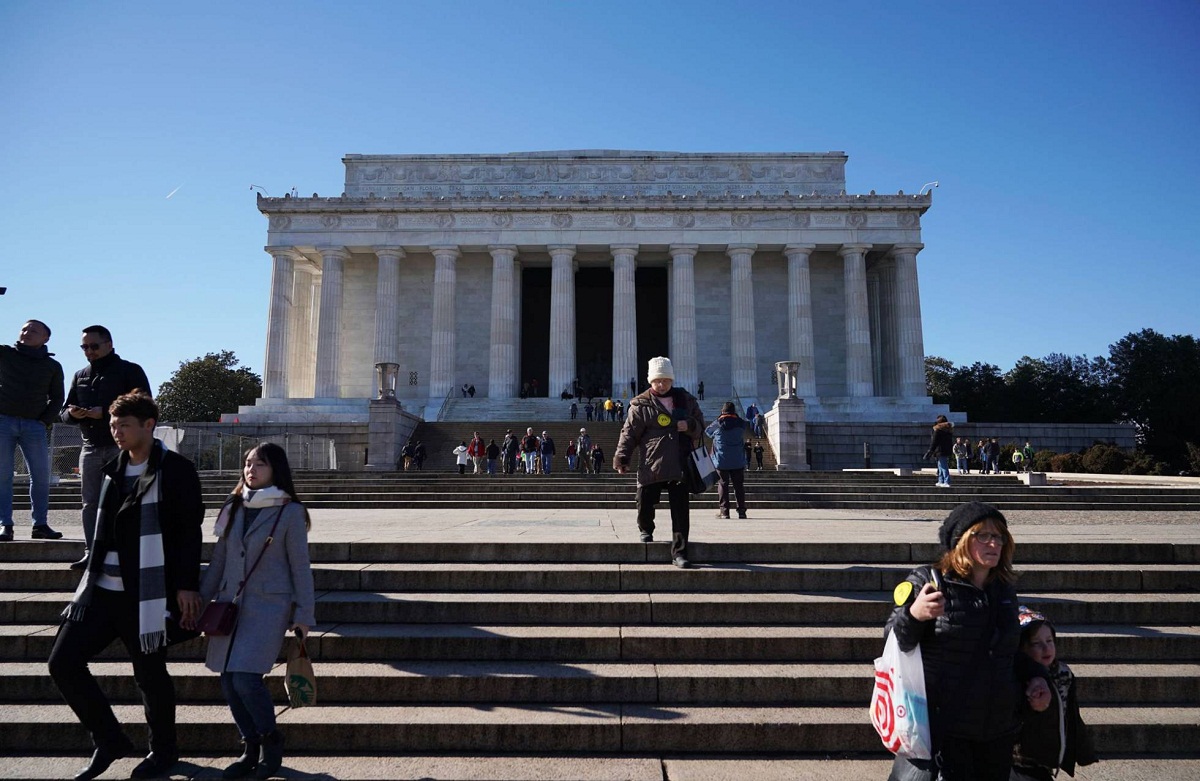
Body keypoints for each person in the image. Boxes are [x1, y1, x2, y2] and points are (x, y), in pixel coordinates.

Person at [49, 390, 204, 781]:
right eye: (113, 425)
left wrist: (187, 586)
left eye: (124, 425)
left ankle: (164, 752)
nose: (116, 432)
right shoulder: (113, 468)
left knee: (150, 676)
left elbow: (189, 533)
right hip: (101, 589)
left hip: (147, 593)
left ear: (149, 426)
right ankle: (109, 738)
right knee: (62, 662)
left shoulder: (178, 470)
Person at [885, 502, 1050, 781]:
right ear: (962, 541)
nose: (993, 543)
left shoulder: (1004, 590)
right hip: (947, 728)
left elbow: (1005, 652)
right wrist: (914, 614)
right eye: (983, 535)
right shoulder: (930, 580)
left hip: (997, 728)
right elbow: (894, 642)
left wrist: (1036, 677)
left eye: (998, 536)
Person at [199, 442, 315, 780]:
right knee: (228, 681)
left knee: (247, 679)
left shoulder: (289, 511)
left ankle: (270, 740)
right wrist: (200, 601)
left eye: (260, 464)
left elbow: (300, 567)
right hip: (229, 605)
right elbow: (219, 561)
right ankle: (249, 747)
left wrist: (304, 613)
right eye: (248, 463)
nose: (251, 469)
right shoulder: (233, 506)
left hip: (269, 606)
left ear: (275, 469)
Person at [61, 325, 151, 568]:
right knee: (90, 503)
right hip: (89, 447)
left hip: (122, 447)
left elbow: (145, 406)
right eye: (84, 347)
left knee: (125, 501)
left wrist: (106, 413)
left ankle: (125, 551)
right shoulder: (80, 375)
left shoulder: (129, 371)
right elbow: (64, 411)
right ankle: (92, 551)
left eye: (94, 346)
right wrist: (74, 414)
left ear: (109, 344)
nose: (89, 351)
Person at [615, 356, 705, 569]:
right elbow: (629, 434)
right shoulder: (640, 404)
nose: (662, 384)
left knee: (680, 511)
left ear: (671, 380)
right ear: (650, 381)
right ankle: (646, 528)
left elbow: (701, 425)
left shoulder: (686, 400)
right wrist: (622, 457)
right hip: (652, 463)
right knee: (645, 501)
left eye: (666, 380)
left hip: (680, 463)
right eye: (658, 380)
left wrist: (689, 425)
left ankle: (680, 552)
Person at [1010, 607, 1098, 781]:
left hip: (1047, 758)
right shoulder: (1016, 678)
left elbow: (1071, 714)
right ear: (1021, 649)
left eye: (1049, 640)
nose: (1046, 647)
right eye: (1036, 643)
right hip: (1018, 761)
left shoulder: (1063, 673)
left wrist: (1082, 750)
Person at [0, 319, 65, 542]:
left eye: (33, 330)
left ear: (45, 338)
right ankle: (5, 525)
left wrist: (42, 422)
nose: (27, 332)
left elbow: (57, 398)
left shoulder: (52, 366)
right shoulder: (5, 354)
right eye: (24, 329)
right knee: (2, 476)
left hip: (34, 426)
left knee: (40, 476)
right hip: (3, 422)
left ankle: (40, 524)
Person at [706, 401, 749, 519]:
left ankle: (724, 512)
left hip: (721, 460)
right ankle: (742, 511)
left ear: (722, 411)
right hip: (737, 460)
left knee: (723, 484)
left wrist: (719, 419)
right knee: (739, 486)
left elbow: (708, 432)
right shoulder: (740, 423)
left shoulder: (718, 423)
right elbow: (744, 427)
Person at [925, 414, 955, 488]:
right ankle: (941, 480)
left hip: (939, 450)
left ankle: (946, 481)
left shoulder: (937, 430)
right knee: (940, 466)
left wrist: (930, 450)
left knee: (943, 466)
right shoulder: (949, 430)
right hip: (946, 450)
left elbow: (934, 442)